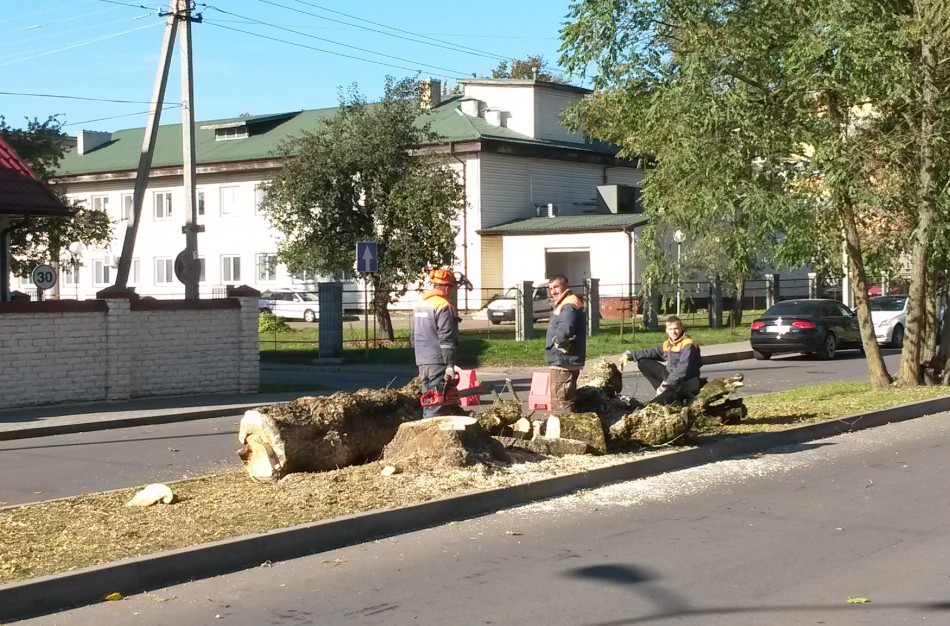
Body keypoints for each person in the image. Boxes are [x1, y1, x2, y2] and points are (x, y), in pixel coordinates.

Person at [622, 315, 703, 405]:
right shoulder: (668, 343)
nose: (674, 332)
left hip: (685, 381)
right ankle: (663, 394)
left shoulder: (688, 344)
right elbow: (653, 352)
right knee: (643, 362)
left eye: (676, 328)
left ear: (681, 328)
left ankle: (667, 396)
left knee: (654, 404)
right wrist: (631, 355)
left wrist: (666, 385)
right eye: (670, 329)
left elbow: (683, 370)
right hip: (671, 378)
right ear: (666, 330)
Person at [412, 268, 460, 417]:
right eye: (451, 289)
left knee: (428, 399)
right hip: (437, 360)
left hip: (422, 360)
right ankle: (434, 435)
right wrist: (450, 364)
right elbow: (446, 338)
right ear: (447, 287)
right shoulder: (443, 306)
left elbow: (413, 335)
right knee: (437, 402)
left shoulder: (420, 305)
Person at [544, 274, 586, 414]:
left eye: (556, 287)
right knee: (566, 398)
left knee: (561, 402)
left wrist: (557, 342)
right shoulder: (567, 302)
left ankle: (564, 433)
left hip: (563, 360)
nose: (553, 291)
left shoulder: (568, 304)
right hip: (566, 359)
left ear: (566, 285)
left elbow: (566, 328)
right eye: (551, 288)